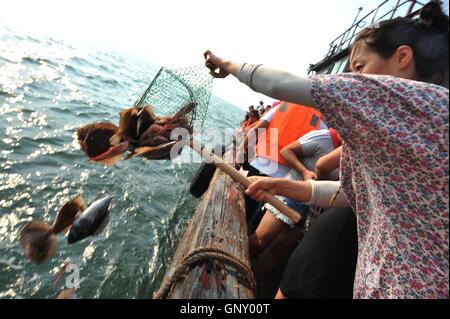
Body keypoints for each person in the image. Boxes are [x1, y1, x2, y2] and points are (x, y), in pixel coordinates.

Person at [204, 1, 449, 299]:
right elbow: (355, 193)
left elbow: (281, 82)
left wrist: (228, 65)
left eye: (359, 68)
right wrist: (285, 185)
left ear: (402, 57)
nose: (351, 80)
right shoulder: (408, 132)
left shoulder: (402, 100)